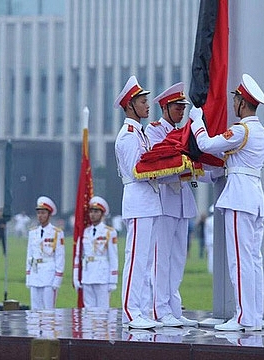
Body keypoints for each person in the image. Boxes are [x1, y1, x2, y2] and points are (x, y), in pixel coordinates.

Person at [190, 73, 264, 332]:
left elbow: (206, 144)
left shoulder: (240, 130)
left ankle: (244, 317)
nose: (233, 103)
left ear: (242, 103)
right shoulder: (261, 133)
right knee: (253, 260)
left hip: (239, 198)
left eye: (236, 99)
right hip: (254, 197)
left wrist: (197, 122)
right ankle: (253, 317)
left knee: (240, 260)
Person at [144, 82, 198, 327]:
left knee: (177, 258)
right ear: (165, 107)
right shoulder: (154, 131)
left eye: (183, 107)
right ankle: (159, 309)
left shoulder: (184, 132)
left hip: (182, 200)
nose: (181, 111)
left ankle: (173, 308)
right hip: (164, 199)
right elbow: (157, 164)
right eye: (177, 107)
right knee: (161, 258)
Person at [114, 75, 163, 330]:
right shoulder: (129, 135)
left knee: (145, 260)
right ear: (130, 105)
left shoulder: (140, 133)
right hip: (138, 199)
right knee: (135, 258)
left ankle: (142, 309)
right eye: (143, 101)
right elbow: (136, 170)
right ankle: (131, 312)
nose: (147, 106)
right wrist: (162, 166)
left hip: (149, 199)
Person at [73, 196, 118, 309]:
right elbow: (78, 255)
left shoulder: (109, 232)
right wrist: (75, 276)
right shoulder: (85, 232)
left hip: (102, 275)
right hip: (87, 274)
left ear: (102, 214)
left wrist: (113, 280)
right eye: (91, 211)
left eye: (96, 211)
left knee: (103, 309)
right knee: (88, 310)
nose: (93, 214)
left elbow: (113, 257)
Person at [25, 196, 65, 310]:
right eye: (38, 213)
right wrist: (28, 276)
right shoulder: (33, 232)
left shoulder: (56, 233)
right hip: (35, 273)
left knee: (48, 310)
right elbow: (29, 254)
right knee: (35, 309)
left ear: (49, 214)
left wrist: (57, 279)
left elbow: (60, 257)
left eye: (43, 213)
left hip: (49, 274)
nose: (40, 216)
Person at [204, 205, 215, 274]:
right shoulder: (221, 220)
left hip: (210, 239)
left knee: (211, 255)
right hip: (218, 240)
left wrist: (206, 243)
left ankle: (211, 270)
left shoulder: (208, 220)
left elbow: (206, 232)